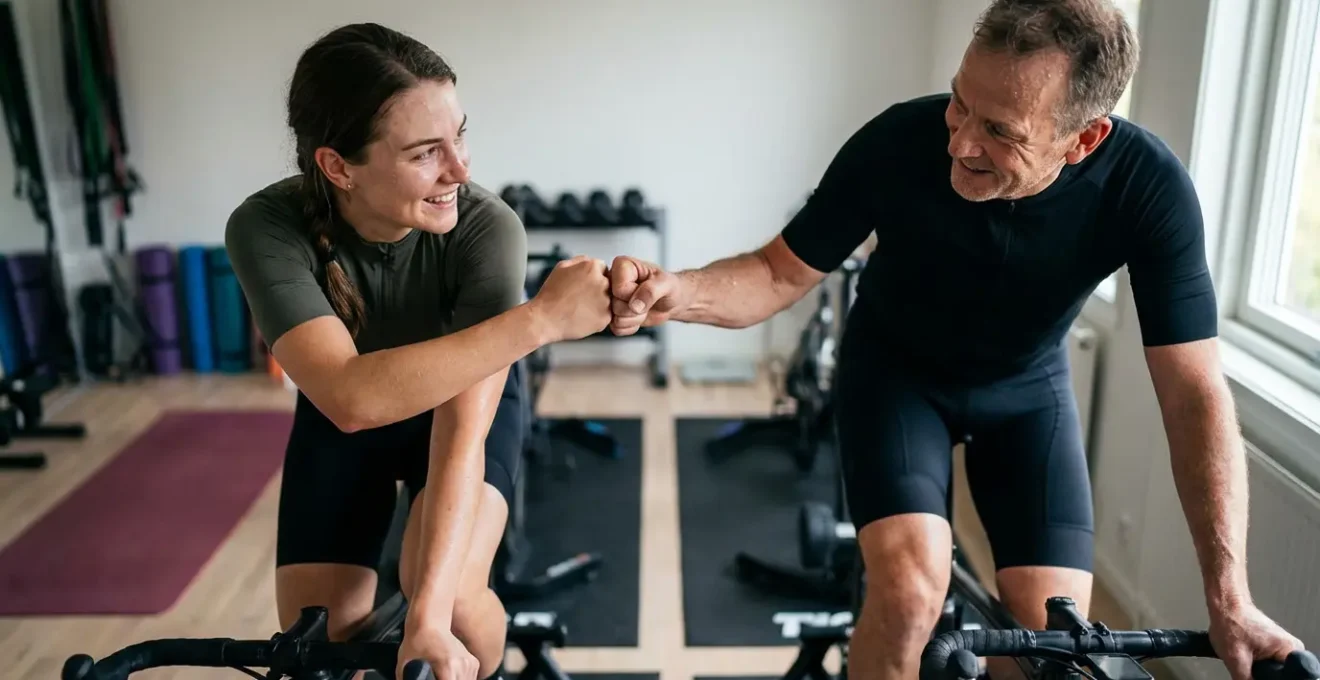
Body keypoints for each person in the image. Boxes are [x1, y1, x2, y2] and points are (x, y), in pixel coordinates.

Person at [606, 2, 1305, 680]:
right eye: (959, 102)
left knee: (1051, 640)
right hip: (895, 379)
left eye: (999, 129)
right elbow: (775, 272)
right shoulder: (896, 141)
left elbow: (1192, 392)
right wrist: (677, 291)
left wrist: (1229, 597)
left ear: (1083, 138)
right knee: (911, 594)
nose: (961, 140)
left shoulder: (1148, 190)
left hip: (1029, 394)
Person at [224, 23, 612, 680]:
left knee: (453, 602)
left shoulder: (488, 231)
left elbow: (461, 432)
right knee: (319, 648)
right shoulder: (266, 227)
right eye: (426, 152)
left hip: (463, 408)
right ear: (338, 166)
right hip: (350, 413)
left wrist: (427, 620)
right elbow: (349, 399)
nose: (460, 171)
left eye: (459, 136)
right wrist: (540, 320)